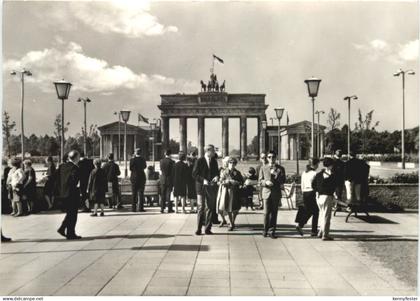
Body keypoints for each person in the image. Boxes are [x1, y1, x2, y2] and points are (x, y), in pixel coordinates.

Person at [192, 144, 219, 235]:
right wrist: (203, 180)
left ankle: (208, 228)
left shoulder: (214, 161)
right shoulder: (199, 161)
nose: (214, 152)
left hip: (210, 187)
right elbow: (194, 174)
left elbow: (216, 172)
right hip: (201, 187)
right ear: (208, 151)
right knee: (201, 208)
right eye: (213, 150)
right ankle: (199, 229)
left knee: (210, 208)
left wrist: (216, 177)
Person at [55, 150, 82, 240]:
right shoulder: (75, 168)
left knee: (70, 213)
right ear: (76, 158)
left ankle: (62, 228)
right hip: (72, 194)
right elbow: (75, 181)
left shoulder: (62, 167)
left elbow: (57, 179)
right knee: (73, 214)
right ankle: (70, 233)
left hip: (63, 194)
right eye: (79, 157)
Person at [259, 150, 286, 239]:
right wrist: (265, 182)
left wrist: (276, 175)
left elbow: (283, 181)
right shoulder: (263, 168)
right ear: (267, 158)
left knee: (274, 213)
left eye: (273, 157)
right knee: (266, 213)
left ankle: (272, 231)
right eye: (269, 157)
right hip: (266, 192)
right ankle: (265, 230)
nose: (271, 159)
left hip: (275, 193)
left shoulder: (281, 169)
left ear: (276, 158)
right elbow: (260, 181)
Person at [312, 157, 338, 241]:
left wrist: (317, 192)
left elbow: (313, 185)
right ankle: (325, 234)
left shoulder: (319, 174)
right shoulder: (332, 176)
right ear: (330, 165)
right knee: (326, 216)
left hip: (319, 197)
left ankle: (320, 232)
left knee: (322, 215)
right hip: (327, 196)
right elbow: (333, 186)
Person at [295, 158, 320, 237]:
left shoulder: (304, 173)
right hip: (311, 192)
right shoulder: (314, 173)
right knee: (315, 211)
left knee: (310, 211)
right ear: (315, 164)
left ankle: (302, 225)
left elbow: (302, 184)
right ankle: (313, 230)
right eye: (317, 164)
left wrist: (303, 193)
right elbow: (316, 185)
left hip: (305, 193)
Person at [217, 157, 244, 231]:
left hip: (235, 192)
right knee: (228, 207)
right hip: (226, 191)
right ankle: (231, 223)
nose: (232, 164)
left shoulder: (237, 172)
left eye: (234, 163)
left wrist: (236, 182)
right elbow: (220, 181)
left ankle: (232, 222)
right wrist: (225, 182)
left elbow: (241, 181)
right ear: (228, 163)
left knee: (235, 208)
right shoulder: (224, 171)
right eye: (230, 163)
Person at [130, 148, 147, 212]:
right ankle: (140, 208)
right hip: (141, 177)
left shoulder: (132, 160)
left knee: (134, 193)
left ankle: (133, 208)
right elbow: (145, 166)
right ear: (140, 153)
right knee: (141, 193)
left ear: (135, 152)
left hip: (134, 177)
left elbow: (130, 168)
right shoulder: (143, 159)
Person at [216, 156, 231, 227]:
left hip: (227, 189)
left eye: (226, 162)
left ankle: (229, 221)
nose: (225, 163)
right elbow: (218, 177)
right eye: (224, 162)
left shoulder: (230, 170)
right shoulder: (221, 169)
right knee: (219, 205)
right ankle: (223, 220)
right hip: (221, 189)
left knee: (226, 205)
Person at [159, 149, 175, 213]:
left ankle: (162, 208)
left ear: (165, 154)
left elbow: (161, 169)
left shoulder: (161, 161)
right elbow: (173, 172)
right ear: (170, 154)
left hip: (163, 179)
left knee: (163, 194)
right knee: (169, 194)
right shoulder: (172, 162)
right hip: (169, 179)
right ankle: (169, 208)